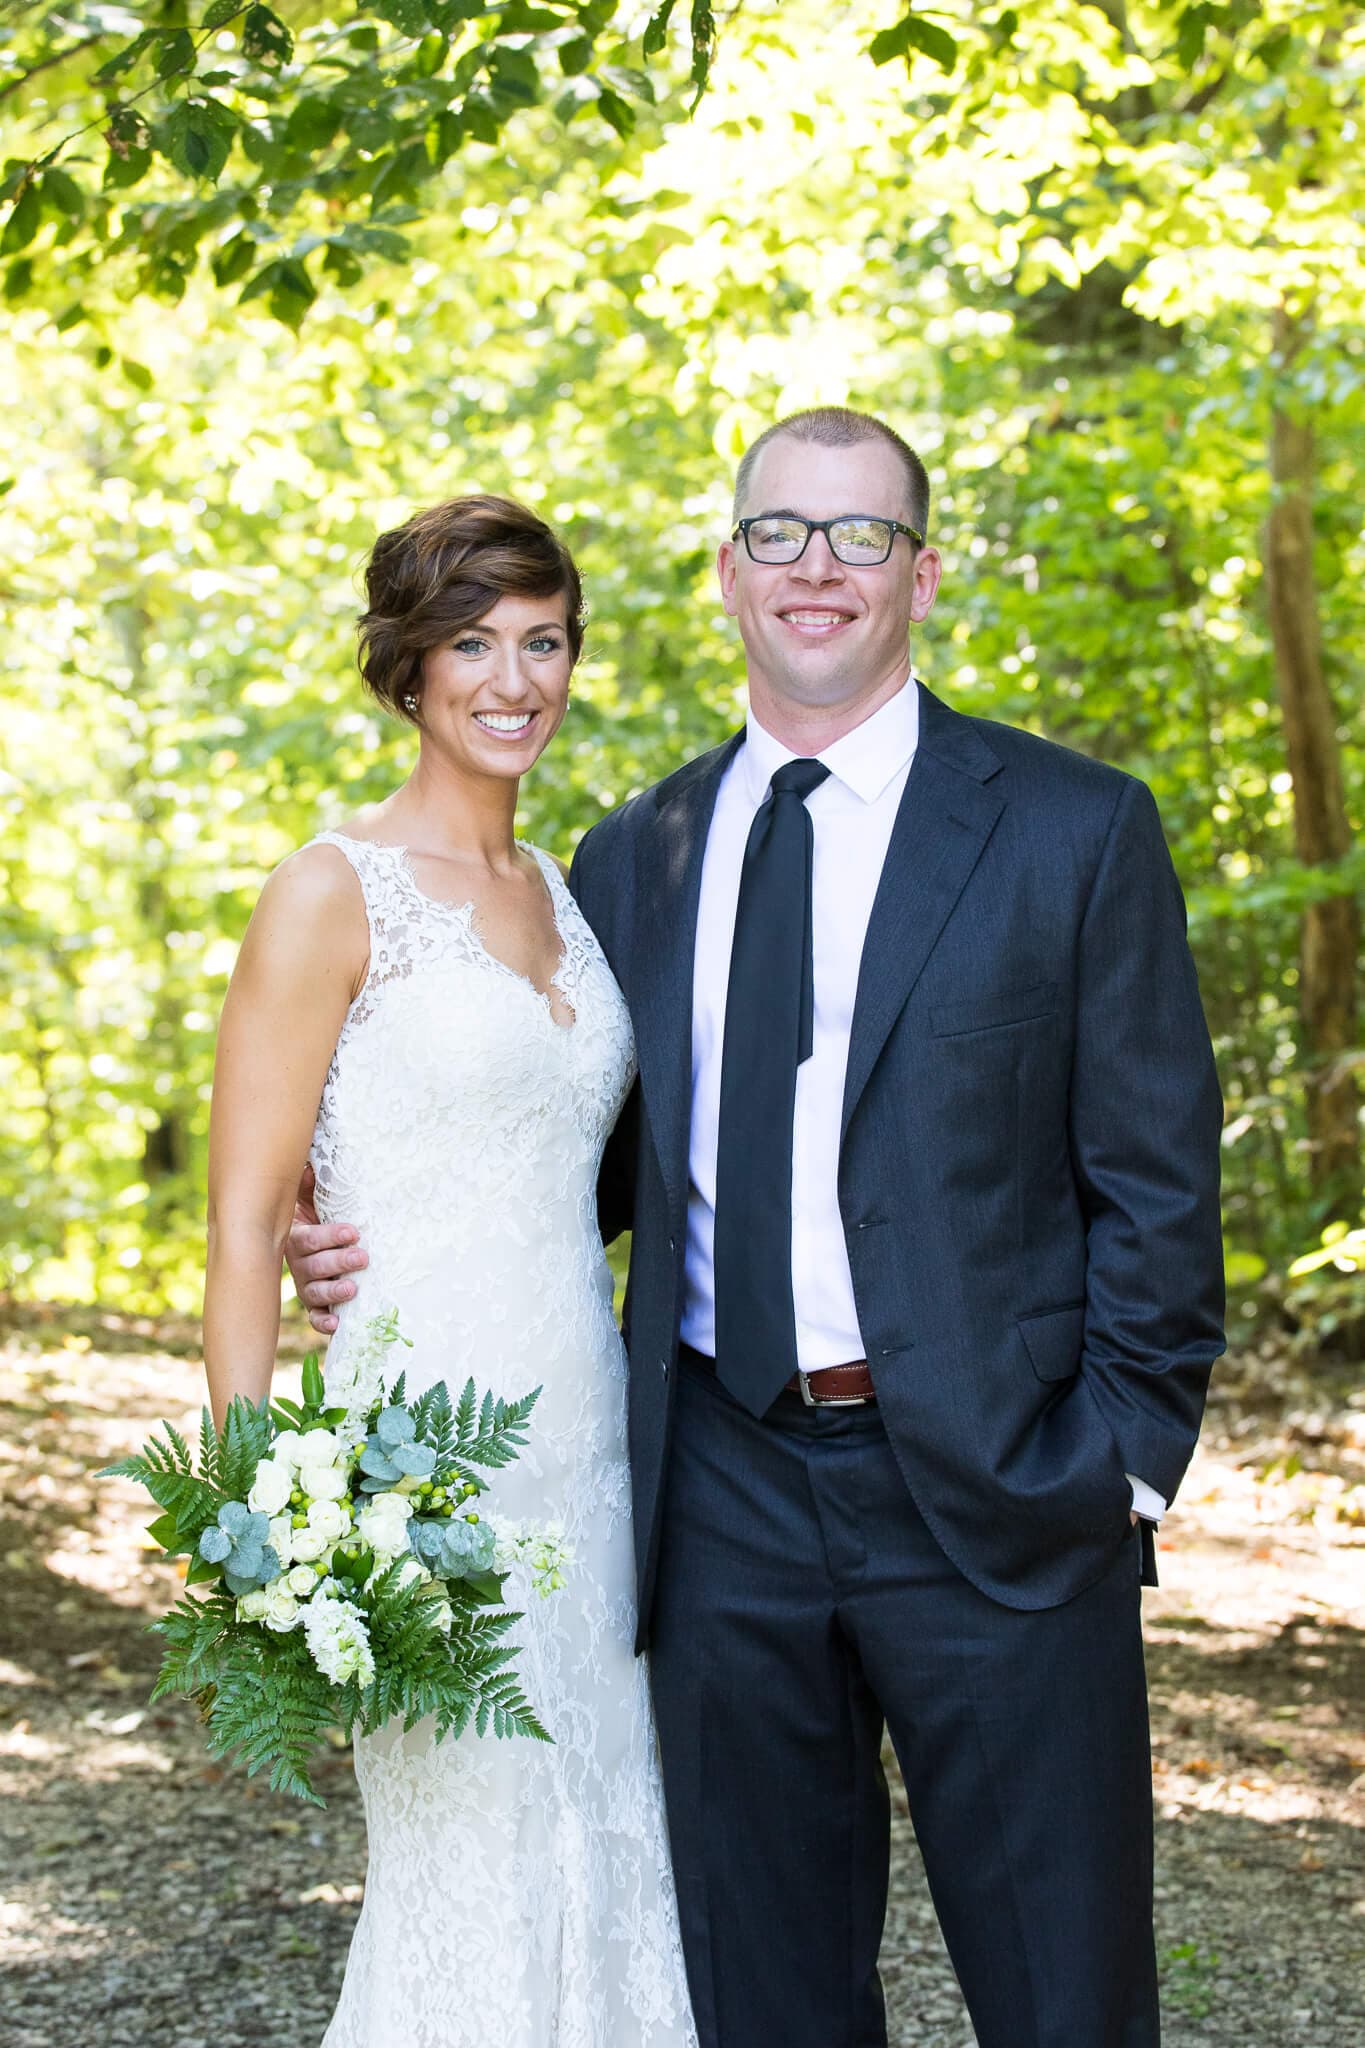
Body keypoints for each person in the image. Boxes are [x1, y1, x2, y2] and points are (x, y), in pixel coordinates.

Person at [289, 411, 1225, 2048]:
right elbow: (569, 1153)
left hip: (1003, 1501)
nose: (816, 568)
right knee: (762, 1996)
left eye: (859, 536)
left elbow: (1155, 1179)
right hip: (716, 1501)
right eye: (778, 533)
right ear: (725, 572)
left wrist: (1118, 1463)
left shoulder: (1071, 829)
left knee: (1063, 1991)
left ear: (920, 573)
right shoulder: (628, 857)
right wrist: (353, 1210)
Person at [205, 493, 697, 2048]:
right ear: (407, 668)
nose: (513, 678)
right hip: (419, 1476)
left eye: (542, 641)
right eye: (471, 643)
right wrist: (256, 1523)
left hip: (601, 1462)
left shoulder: (572, 889)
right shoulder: (329, 889)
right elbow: (240, 1220)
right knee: (470, 1870)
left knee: (617, 1852)